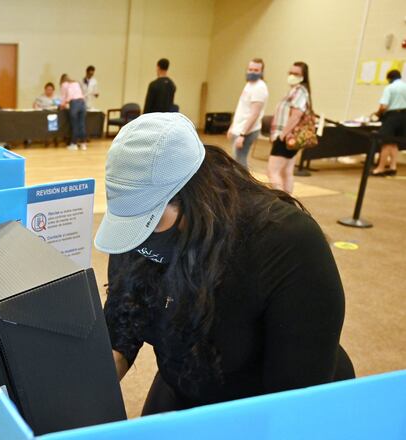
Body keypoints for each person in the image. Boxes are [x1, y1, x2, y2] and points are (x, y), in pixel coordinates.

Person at [95, 113, 354, 415]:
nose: (143, 240)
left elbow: (294, 403)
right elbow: (124, 319)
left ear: (191, 195)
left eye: (150, 222)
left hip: (264, 401)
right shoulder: (139, 230)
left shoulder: (285, 241)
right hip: (190, 379)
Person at [268, 61, 311, 194]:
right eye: (290, 73)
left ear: (303, 76)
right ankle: (288, 202)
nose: (292, 75)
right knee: (286, 171)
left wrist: (282, 135)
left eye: (296, 73)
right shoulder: (295, 91)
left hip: (286, 137)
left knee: (272, 172)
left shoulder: (300, 91)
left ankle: (281, 202)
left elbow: (296, 116)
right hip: (288, 137)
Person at [228, 58, 268, 169]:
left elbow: (254, 114)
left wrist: (242, 134)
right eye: (250, 69)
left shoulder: (260, 88)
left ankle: (244, 185)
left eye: (256, 70)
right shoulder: (249, 84)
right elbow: (242, 108)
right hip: (239, 127)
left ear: (261, 72)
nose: (252, 72)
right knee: (236, 159)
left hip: (248, 131)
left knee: (240, 162)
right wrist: (232, 126)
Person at [371, 69, 406, 176]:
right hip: (404, 116)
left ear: (389, 78)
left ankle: (380, 168)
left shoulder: (389, 88)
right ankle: (392, 167)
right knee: (394, 142)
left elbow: (384, 106)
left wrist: (377, 114)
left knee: (385, 142)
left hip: (392, 116)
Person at [60, 73, 88, 150]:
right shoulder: (76, 83)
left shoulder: (64, 84)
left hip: (74, 104)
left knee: (74, 125)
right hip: (82, 103)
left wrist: (62, 105)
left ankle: (74, 144)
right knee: (81, 124)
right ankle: (83, 144)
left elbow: (64, 96)